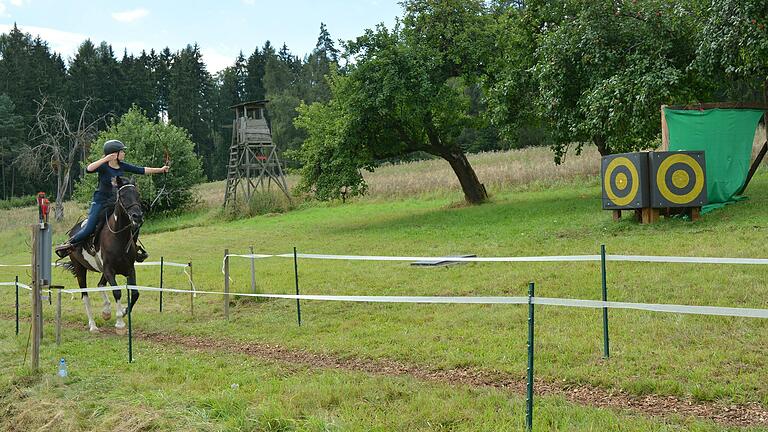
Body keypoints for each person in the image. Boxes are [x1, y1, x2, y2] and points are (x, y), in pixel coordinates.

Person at [55, 139, 169, 261]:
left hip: (115, 202)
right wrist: (105, 159)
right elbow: (89, 168)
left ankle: (133, 249)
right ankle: (68, 245)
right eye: (122, 151)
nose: (124, 154)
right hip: (100, 202)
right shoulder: (103, 166)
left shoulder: (123, 165)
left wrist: (161, 170)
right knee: (89, 228)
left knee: (135, 223)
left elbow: (142, 170)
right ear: (114, 154)